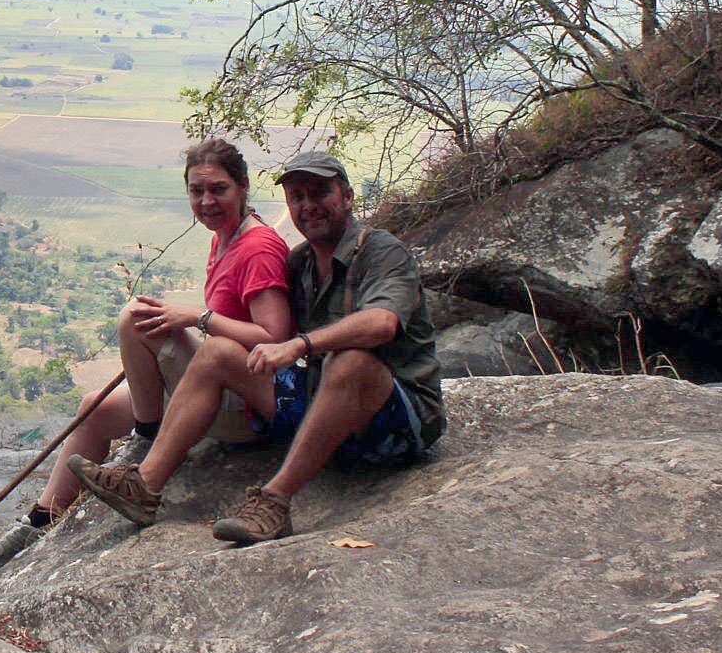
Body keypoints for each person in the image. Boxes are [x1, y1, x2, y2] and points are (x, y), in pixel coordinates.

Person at [69, 150, 444, 544]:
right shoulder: (301, 264)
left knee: (352, 362)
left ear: (347, 197)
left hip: (394, 424)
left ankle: (274, 502)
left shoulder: (382, 251)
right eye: (297, 197)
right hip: (324, 409)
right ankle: (144, 484)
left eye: (319, 193)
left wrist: (299, 345)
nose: (308, 206)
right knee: (218, 353)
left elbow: (382, 323)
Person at [0, 137, 293, 562]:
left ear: (242, 187)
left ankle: (145, 440)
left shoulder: (257, 246)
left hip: (245, 407)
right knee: (94, 407)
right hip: (215, 391)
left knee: (135, 317)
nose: (206, 200)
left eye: (218, 189)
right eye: (196, 191)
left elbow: (276, 337)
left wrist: (195, 318)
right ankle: (41, 519)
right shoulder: (225, 238)